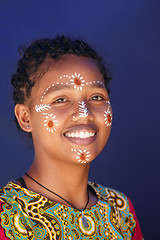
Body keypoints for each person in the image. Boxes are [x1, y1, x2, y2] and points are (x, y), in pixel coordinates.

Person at [0, 36, 143, 239]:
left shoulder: (121, 210)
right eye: (60, 100)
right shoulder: (6, 216)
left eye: (96, 97)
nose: (84, 112)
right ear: (25, 117)